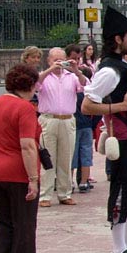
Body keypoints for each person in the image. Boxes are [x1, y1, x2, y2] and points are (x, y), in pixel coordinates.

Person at [81, 6, 127, 253]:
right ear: (118, 39)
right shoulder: (109, 71)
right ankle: (118, 249)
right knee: (122, 190)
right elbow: (87, 106)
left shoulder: (122, 66)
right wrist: (120, 107)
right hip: (121, 138)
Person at [0, 65, 43, 253]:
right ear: (29, 84)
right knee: (25, 224)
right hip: (17, 171)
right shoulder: (25, 108)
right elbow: (28, 145)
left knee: (5, 222)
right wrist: (33, 179)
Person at [36, 47, 87, 207]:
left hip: (68, 120)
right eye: (54, 59)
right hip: (48, 119)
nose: (58, 63)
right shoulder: (44, 76)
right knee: (48, 158)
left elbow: (85, 86)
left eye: (61, 59)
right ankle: (45, 195)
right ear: (48, 60)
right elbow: (35, 85)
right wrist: (50, 69)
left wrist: (76, 70)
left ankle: (65, 193)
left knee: (66, 158)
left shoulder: (71, 77)